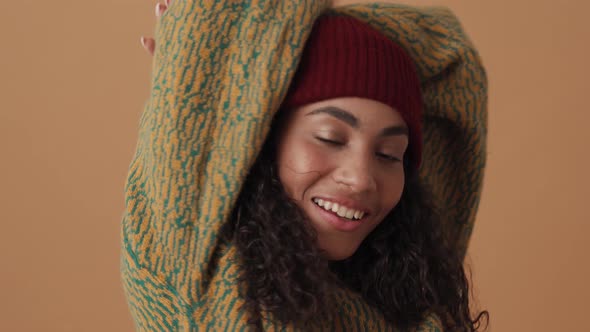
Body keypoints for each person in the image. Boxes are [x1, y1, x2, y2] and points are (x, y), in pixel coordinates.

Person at [123, 1, 489, 331]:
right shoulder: (198, 276)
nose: (361, 178)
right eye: (330, 138)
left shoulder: (413, 314)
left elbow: (454, 63)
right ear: (260, 140)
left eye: (389, 154)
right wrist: (201, 63)